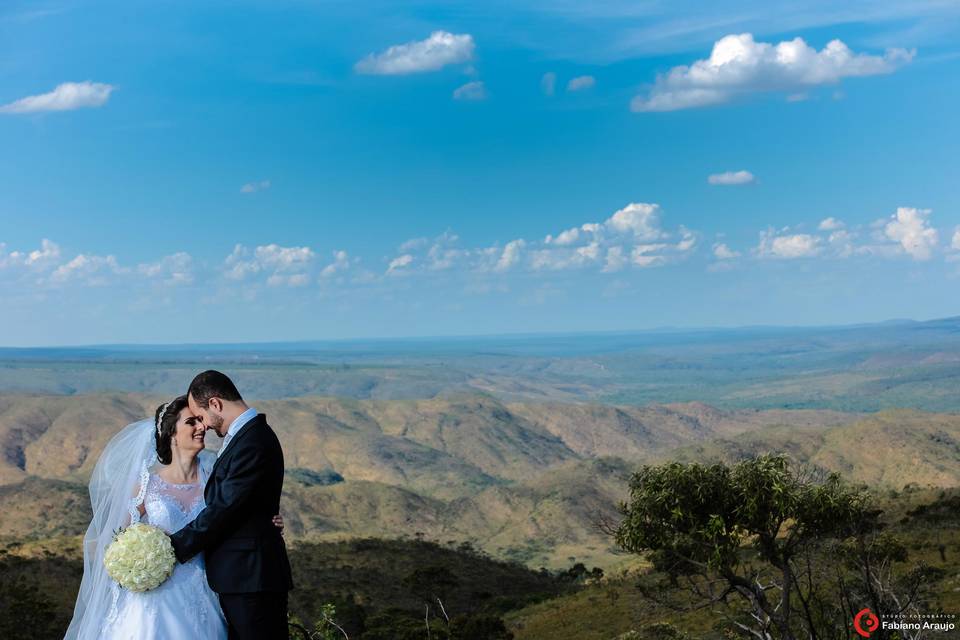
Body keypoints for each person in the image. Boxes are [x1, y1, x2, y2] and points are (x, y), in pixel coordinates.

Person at [64, 395, 286, 639]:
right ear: (171, 433)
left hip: (206, 588)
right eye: (191, 422)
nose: (202, 427)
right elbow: (116, 542)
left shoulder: (214, 478)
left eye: (200, 421)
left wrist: (266, 522)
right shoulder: (145, 486)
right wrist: (134, 564)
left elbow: (233, 511)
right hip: (155, 597)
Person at [169, 370, 294, 640]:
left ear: (215, 403)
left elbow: (225, 507)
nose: (205, 426)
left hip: (252, 579)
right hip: (240, 577)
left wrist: (170, 548)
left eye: (201, 417)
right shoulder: (245, 437)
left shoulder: (253, 441)